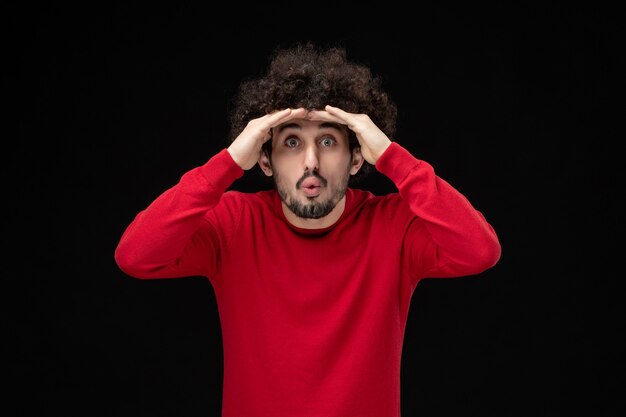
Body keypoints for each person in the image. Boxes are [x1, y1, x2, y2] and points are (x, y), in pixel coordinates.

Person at [114, 42, 501, 417]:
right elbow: (136, 255)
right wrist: (228, 162)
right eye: (292, 142)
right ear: (265, 160)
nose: (311, 162)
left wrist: (393, 158)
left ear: (355, 158)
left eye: (328, 141)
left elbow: (480, 250)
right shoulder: (232, 224)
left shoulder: (393, 225)